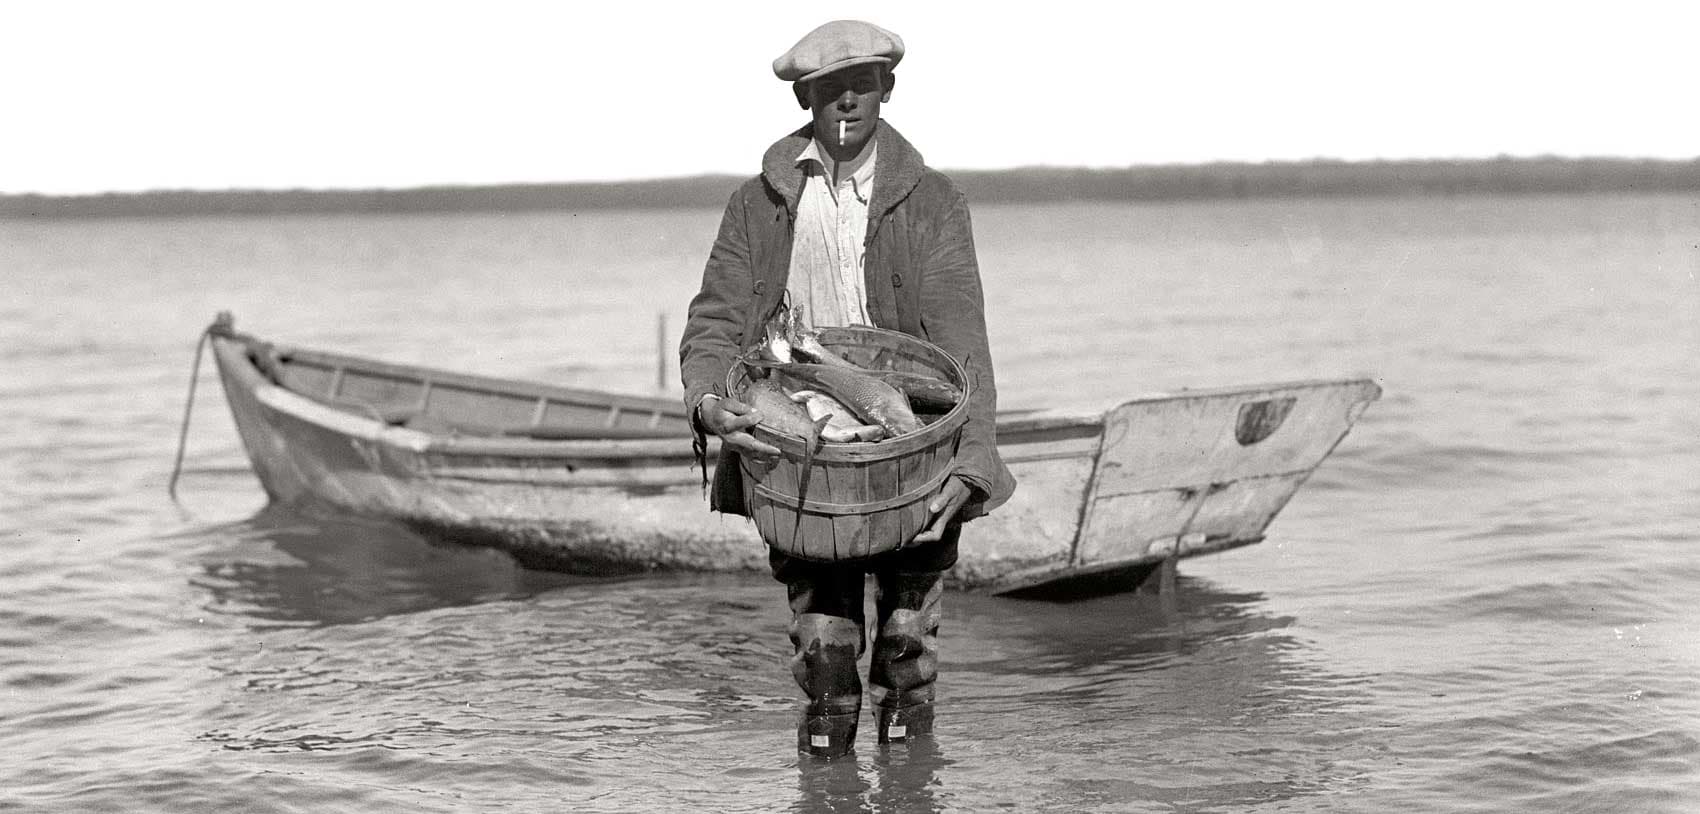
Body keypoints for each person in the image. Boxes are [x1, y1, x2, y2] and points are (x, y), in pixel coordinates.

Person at [679, 19, 1016, 759]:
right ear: (805, 98)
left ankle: (910, 789)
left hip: (914, 454)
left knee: (907, 651)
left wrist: (972, 463)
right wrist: (708, 402)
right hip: (802, 456)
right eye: (830, 89)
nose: (847, 102)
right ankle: (827, 787)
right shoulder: (756, 203)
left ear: (886, 90)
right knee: (825, 659)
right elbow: (714, 323)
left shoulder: (935, 202)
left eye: (862, 85)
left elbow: (965, 343)